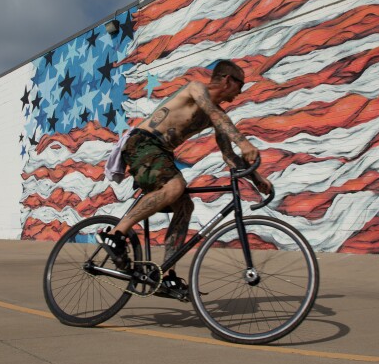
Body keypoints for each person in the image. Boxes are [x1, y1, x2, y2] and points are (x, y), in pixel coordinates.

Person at [97, 60, 272, 300]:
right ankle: (115, 235)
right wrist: (244, 142)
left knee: (185, 206)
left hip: (161, 153)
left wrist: (255, 177)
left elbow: (229, 155)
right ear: (227, 80)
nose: (240, 92)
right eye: (240, 86)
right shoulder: (196, 88)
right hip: (143, 143)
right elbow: (212, 113)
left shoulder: (217, 115)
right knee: (175, 186)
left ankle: (166, 274)